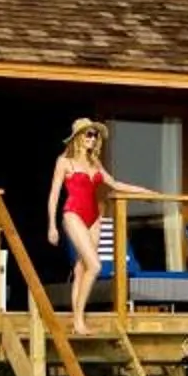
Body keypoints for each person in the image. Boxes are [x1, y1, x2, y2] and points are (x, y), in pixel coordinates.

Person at [43, 118, 149, 334]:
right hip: (73, 213)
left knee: (82, 268)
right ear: (78, 137)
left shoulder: (95, 163)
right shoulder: (64, 162)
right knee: (95, 266)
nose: (92, 138)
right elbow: (54, 195)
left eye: (95, 135)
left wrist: (145, 192)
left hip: (94, 217)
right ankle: (79, 320)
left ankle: (76, 319)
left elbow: (115, 184)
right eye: (89, 134)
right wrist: (51, 225)